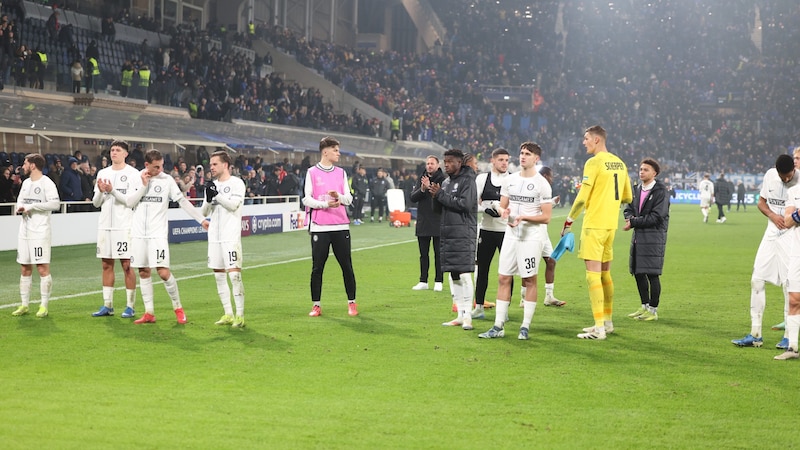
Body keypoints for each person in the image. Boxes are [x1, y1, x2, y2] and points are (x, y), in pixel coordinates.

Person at [562, 125, 632, 340]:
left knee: (592, 276)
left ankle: (599, 328)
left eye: (586, 139)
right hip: (610, 226)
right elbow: (627, 196)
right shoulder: (620, 163)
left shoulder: (593, 162)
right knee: (604, 275)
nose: (584, 142)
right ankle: (607, 323)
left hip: (594, 225)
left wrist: (569, 219)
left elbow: (582, 197)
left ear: (597, 140)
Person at [122, 149, 207, 324]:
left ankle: (178, 307)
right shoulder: (135, 178)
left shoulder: (167, 180)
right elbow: (129, 202)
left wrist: (201, 219)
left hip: (157, 234)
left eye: (161, 166)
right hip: (138, 234)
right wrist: (144, 186)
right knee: (143, 272)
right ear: (146, 165)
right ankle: (149, 313)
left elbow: (182, 201)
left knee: (163, 272)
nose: (160, 169)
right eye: (156, 167)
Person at [478, 142, 552, 340]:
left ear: (536, 158)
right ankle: (498, 326)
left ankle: (525, 326)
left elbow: (546, 217)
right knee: (503, 278)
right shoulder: (509, 180)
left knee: (529, 280)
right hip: (510, 235)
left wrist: (524, 218)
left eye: (527, 154)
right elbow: (503, 207)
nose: (522, 156)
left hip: (531, 238)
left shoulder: (542, 184)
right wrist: (504, 212)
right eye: (521, 153)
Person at [731, 153, 799, 349]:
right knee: (757, 279)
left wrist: (788, 220)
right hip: (771, 232)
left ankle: (788, 336)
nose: (786, 179)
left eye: (789, 175)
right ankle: (755, 334)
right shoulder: (770, 175)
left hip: (791, 235)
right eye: (782, 176)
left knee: (789, 284)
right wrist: (771, 215)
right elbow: (761, 202)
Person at [302, 136, 358, 317]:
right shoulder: (311, 172)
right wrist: (325, 204)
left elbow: (349, 199)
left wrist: (339, 197)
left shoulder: (341, 173)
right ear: (325, 151)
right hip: (320, 227)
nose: (338, 153)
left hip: (341, 225)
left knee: (346, 266)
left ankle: (352, 303)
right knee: (317, 267)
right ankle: (316, 305)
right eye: (335, 150)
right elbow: (306, 199)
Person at [91, 140, 141, 318]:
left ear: (126, 154)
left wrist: (112, 190)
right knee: (106, 264)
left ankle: (130, 306)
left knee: (127, 265)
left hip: (124, 226)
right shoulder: (103, 173)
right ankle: (108, 305)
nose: (114, 153)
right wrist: (99, 190)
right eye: (112, 150)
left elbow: (131, 201)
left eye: (118, 150)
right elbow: (96, 203)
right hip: (105, 225)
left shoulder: (133, 174)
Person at [430, 148, 478, 331]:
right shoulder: (447, 182)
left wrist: (440, 195)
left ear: (459, 163)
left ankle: (468, 317)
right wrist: (434, 196)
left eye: (450, 161)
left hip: (464, 232)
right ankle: (459, 315)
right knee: (453, 275)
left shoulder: (468, 181)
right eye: (445, 161)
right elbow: (439, 209)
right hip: (448, 233)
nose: (446, 164)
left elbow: (464, 205)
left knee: (465, 273)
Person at [11, 154, 60, 318]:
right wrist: (20, 207)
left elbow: (55, 204)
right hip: (24, 231)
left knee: (42, 268)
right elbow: (20, 201)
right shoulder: (25, 183)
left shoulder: (47, 183)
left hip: (40, 231)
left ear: (33, 165)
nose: (23, 166)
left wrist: (32, 206)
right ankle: (24, 304)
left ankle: (44, 305)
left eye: (25, 163)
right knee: (25, 268)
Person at [202, 150, 247, 327]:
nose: (211, 167)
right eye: (210, 164)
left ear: (225, 165)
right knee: (219, 276)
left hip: (230, 237)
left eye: (214, 164)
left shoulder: (236, 183)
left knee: (234, 276)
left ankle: (240, 315)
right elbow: (204, 212)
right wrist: (208, 196)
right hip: (214, 237)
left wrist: (217, 196)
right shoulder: (212, 185)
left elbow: (234, 205)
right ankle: (228, 313)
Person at [623, 158, 670, 321]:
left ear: (654, 173)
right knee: (638, 272)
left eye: (646, 170)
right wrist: (629, 217)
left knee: (652, 274)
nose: (641, 172)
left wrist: (633, 222)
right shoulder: (636, 189)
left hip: (654, 237)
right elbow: (628, 208)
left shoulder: (661, 191)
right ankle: (644, 307)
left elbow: (657, 216)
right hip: (639, 237)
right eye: (641, 169)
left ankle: (653, 310)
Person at [472, 148, 510, 317]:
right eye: (501, 160)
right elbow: (472, 204)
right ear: (492, 161)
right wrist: (486, 209)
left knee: (507, 272)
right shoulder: (482, 179)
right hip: (486, 230)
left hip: (506, 232)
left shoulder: (513, 180)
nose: (504, 163)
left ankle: (505, 311)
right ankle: (479, 307)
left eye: (507, 160)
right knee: (482, 270)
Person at [410, 155, 446, 292]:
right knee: (423, 254)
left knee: (438, 253)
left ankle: (439, 280)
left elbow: (443, 198)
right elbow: (413, 197)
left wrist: (430, 187)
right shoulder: (421, 178)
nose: (429, 166)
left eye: (432, 163)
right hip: (423, 221)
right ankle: (423, 280)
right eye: (427, 163)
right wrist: (423, 189)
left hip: (438, 220)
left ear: (438, 165)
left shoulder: (443, 180)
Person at [777, 164, 800, 360]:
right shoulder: (793, 192)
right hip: (798, 252)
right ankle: (793, 348)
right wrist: (798, 214)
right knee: (794, 299)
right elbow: (787, 222)